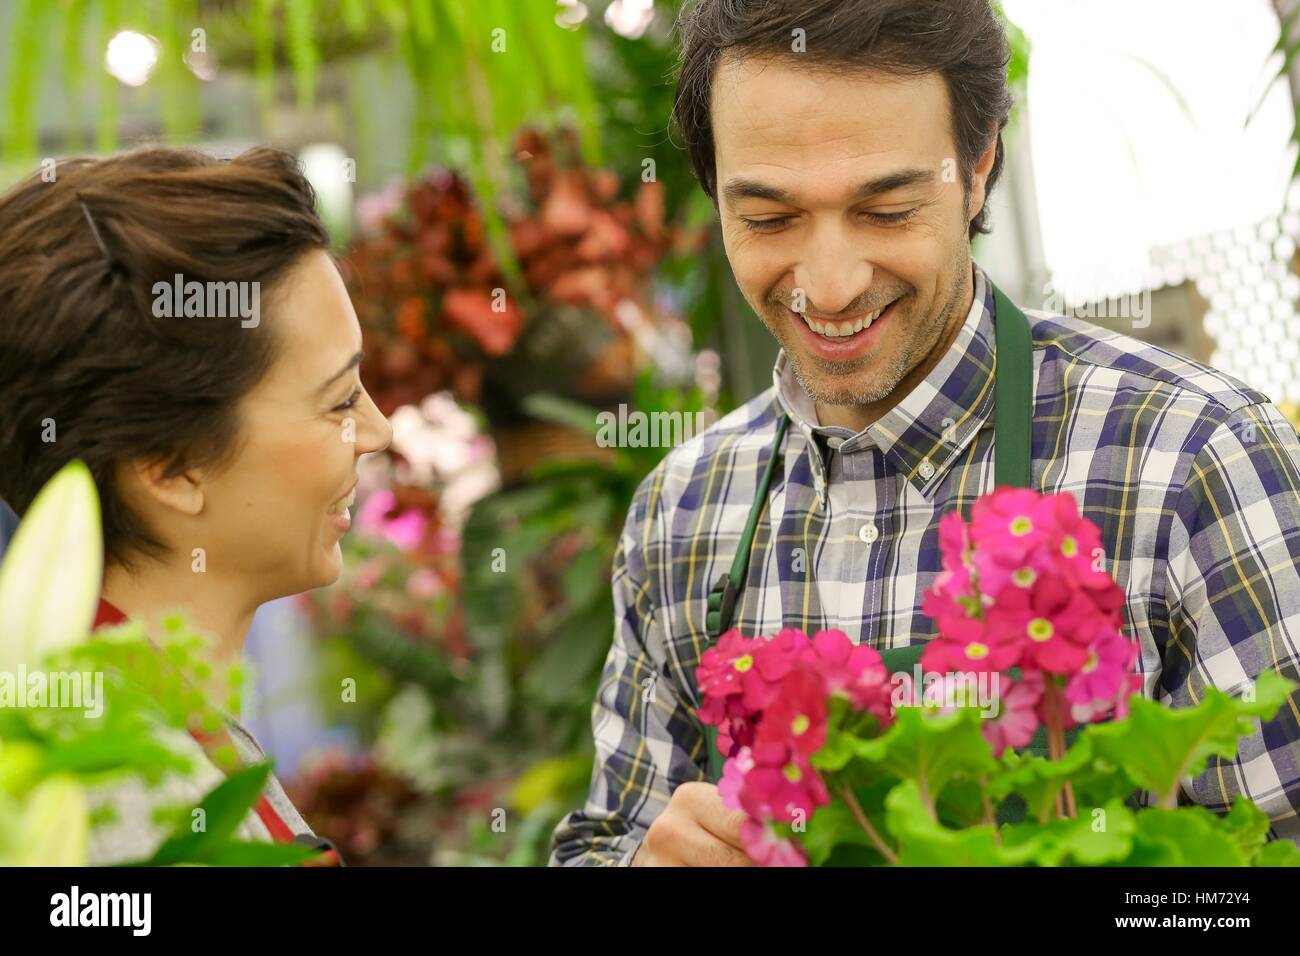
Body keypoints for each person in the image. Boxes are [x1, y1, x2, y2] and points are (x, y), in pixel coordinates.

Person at [550, 0, 1300, 866]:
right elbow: (603, 840)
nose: (829, 287)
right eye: (768, 218)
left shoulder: (1195, 462)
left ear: (978, 169)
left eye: (888, 209)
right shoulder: (681, 515)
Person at [0, 144, 392, 863]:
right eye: (339, 400)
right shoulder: (112, 792)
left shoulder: (144, 728)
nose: (377, 429)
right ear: (173, 466)